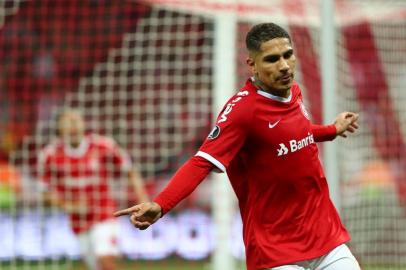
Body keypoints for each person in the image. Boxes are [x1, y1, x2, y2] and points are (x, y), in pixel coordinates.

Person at [114, 23, 361, 270]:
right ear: (252, 64)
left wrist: (332, 130)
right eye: (272, 59)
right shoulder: (242, 112)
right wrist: (161, 204)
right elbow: (202, 161)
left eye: (287, 55)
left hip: (325, 237)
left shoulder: (293, 92)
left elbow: (296, 133)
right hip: (276, 251)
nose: (284, 65)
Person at [38, 109, 148, 270]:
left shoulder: (103, 145)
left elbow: (130, 170)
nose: (73, 125)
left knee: (105, 260)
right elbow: (45, 194)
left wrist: (143, 200)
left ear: (83, 124)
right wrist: (70, 206)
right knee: (96, 266)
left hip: (105, 214)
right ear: (60, 128)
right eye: (68, 121)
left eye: (76, 120)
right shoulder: (50, 155)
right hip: (78, 221)